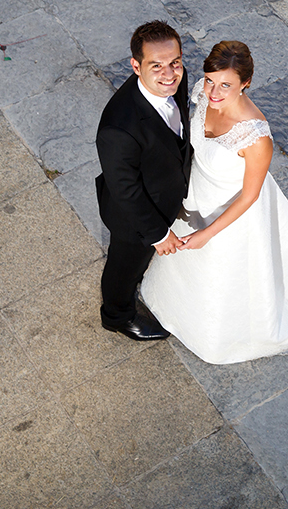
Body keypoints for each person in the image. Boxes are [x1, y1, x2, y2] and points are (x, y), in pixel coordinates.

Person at [139, 40, 288, 364]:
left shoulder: (256, 137)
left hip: (233, 211)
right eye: (210, 80)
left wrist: (207, 234)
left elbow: (250, 196)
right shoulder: (204, 94)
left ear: (245, 84)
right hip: (195, 194)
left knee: (223, 270)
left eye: (226, 85)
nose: (214, 92)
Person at [96, 20, 191, 341]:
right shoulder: (118, 129)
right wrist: (158, 234)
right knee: (124, 268)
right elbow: (126, 189)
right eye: (157, 66)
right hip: (134, 219)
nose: (170, 74)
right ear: (136, 66)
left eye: (175, 62)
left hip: (164, 191)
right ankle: (117, 316)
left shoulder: (177, 79)